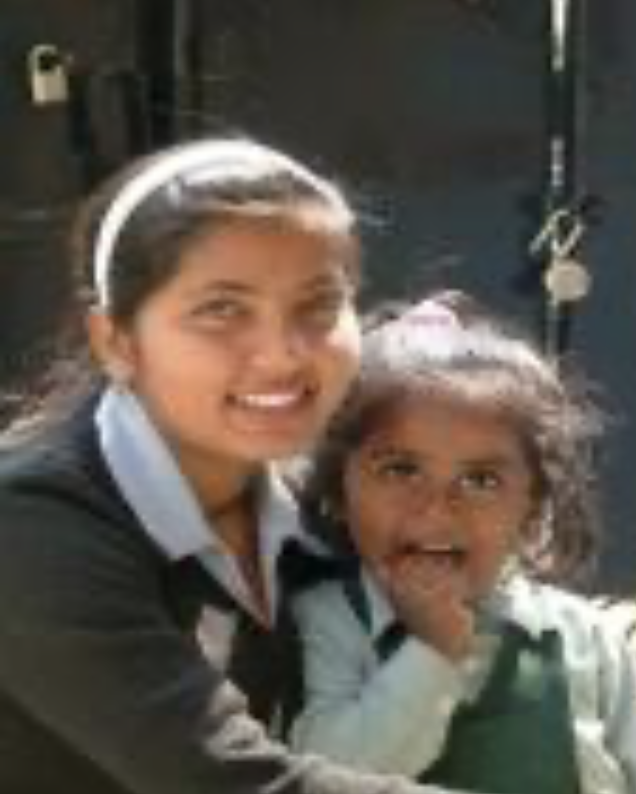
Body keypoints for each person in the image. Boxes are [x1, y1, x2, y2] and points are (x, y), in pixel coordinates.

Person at [0, 138, 463, 794]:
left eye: (318, 305)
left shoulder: (321, 508)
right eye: (221, 311)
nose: (281, 355)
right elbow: (231, 782)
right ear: (115, 340)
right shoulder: (30, 531)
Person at [289, 292, 636, 794]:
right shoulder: (325, 624)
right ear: (338, 491)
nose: (436, 508)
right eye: (400, 470)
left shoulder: (581, 637)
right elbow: (328, 777)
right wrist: (432, 650)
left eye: (480, 480)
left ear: (533, 504)